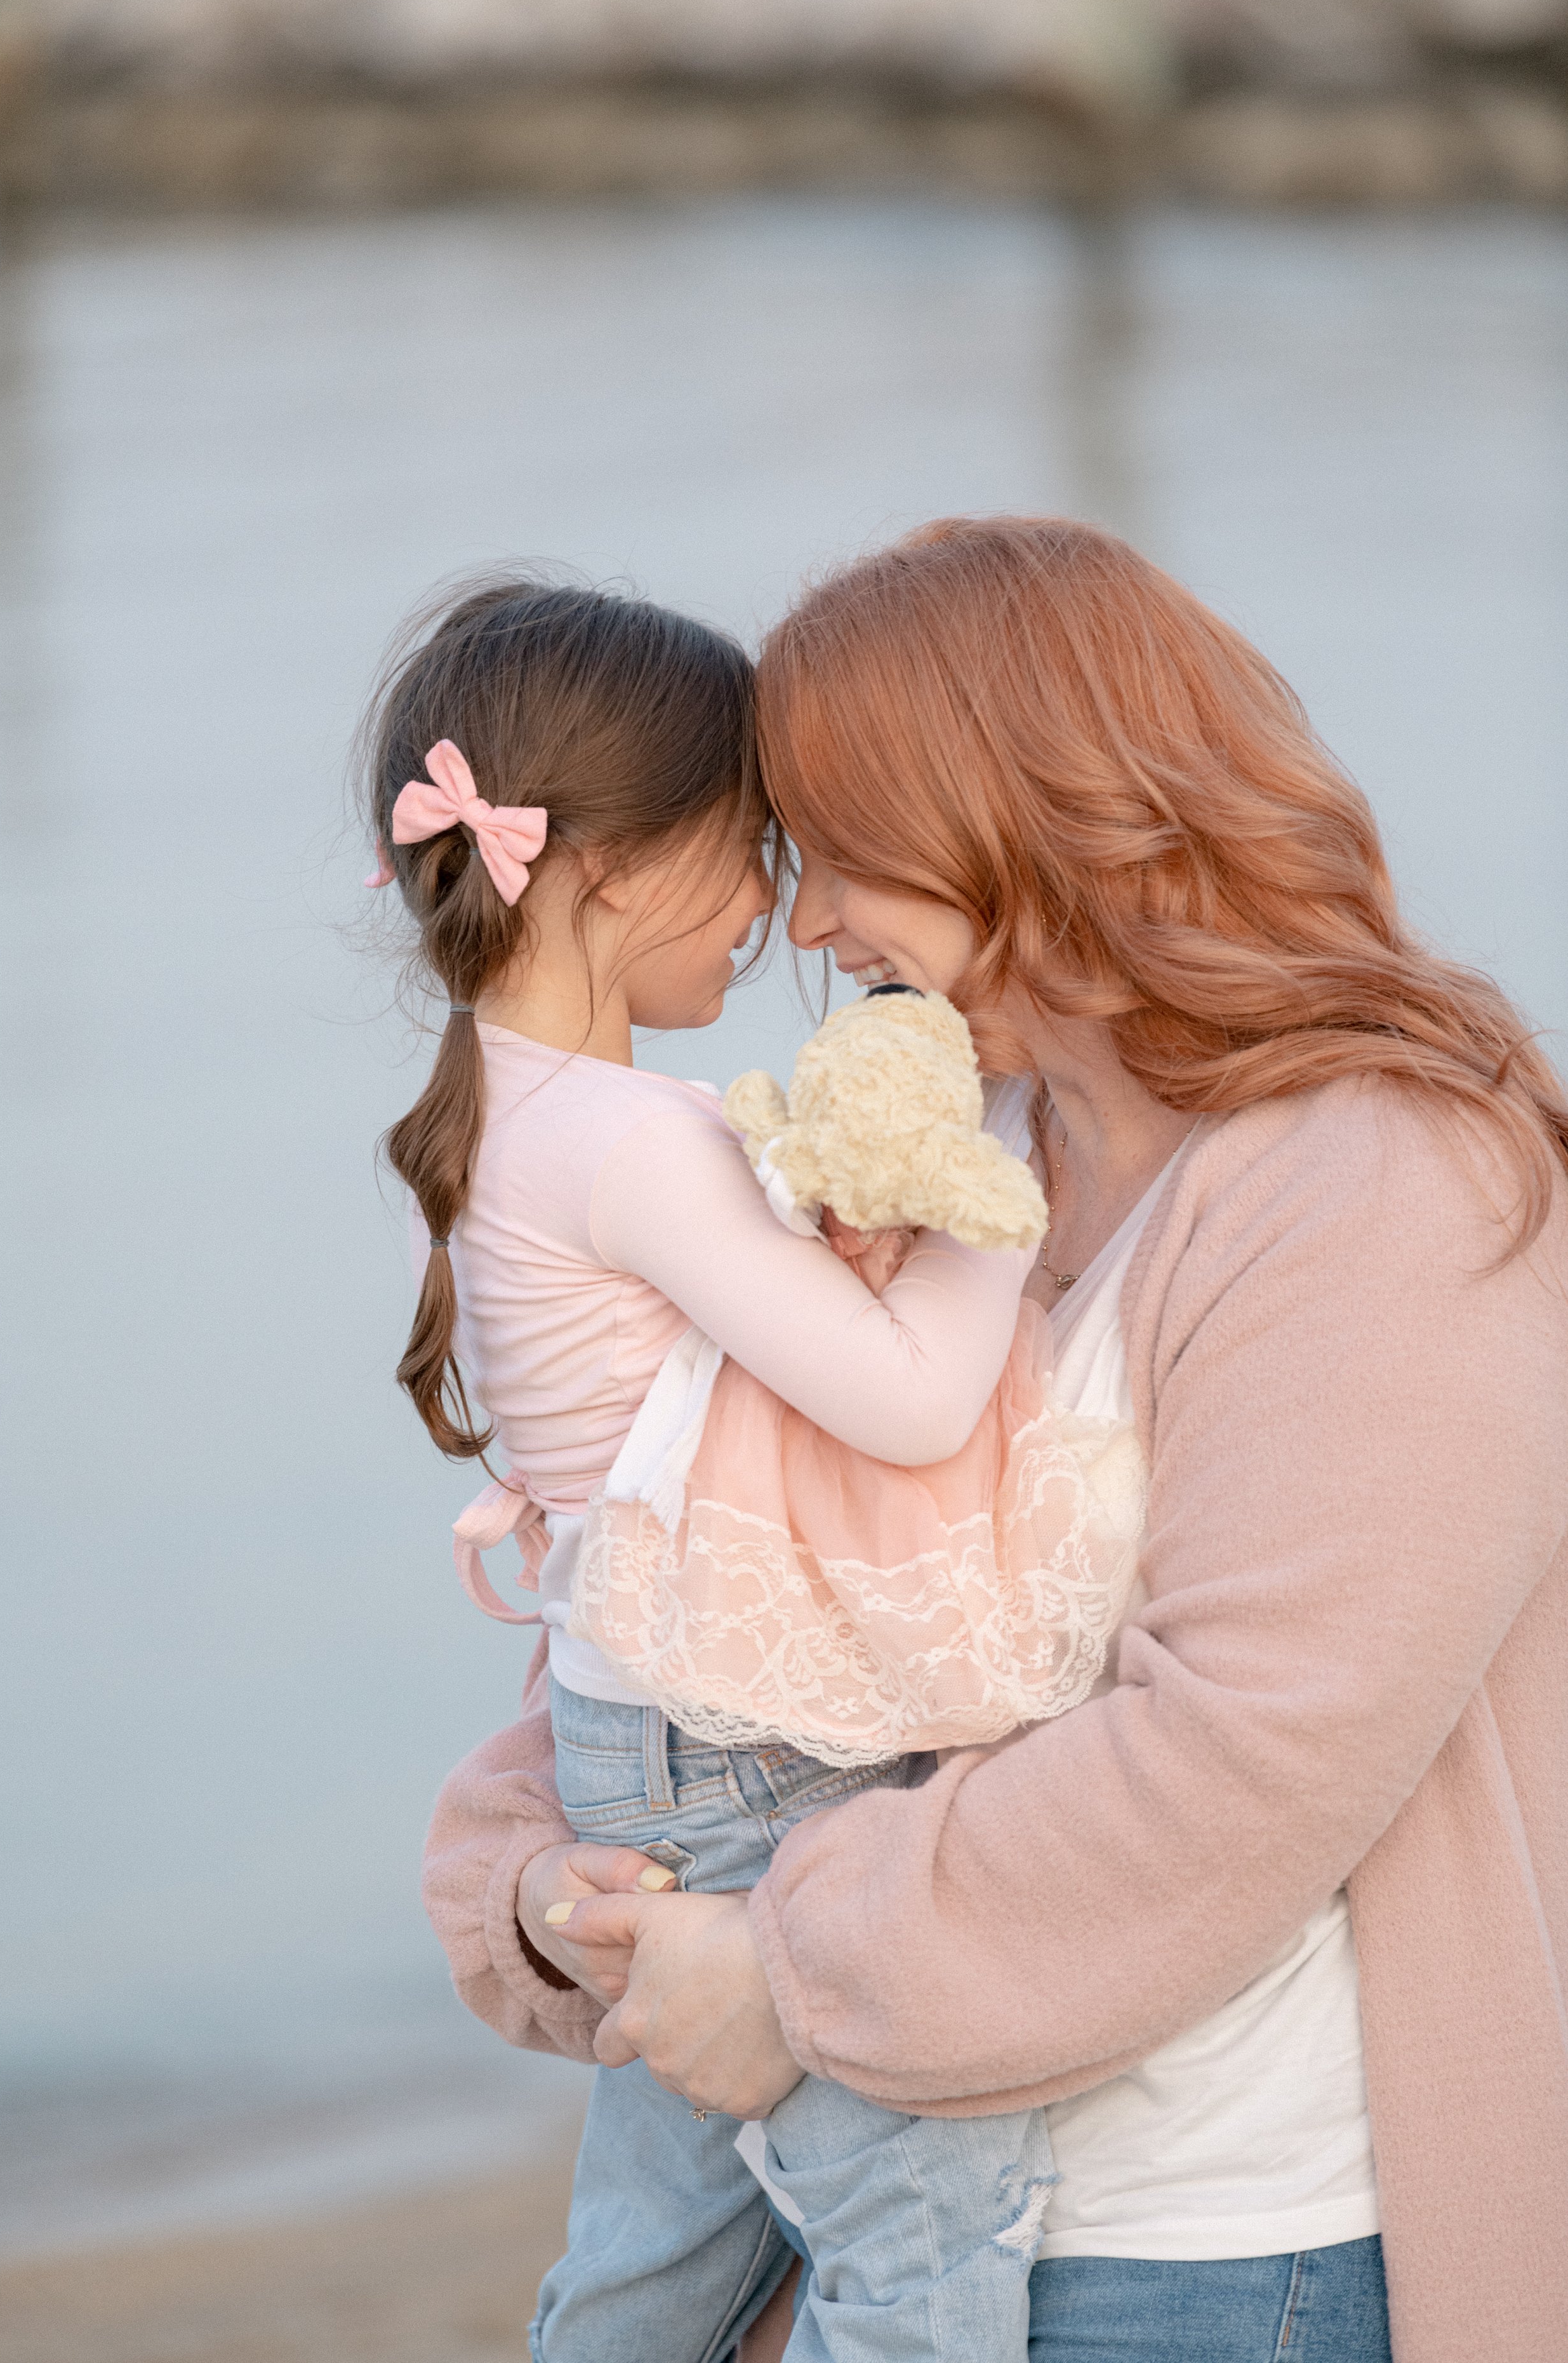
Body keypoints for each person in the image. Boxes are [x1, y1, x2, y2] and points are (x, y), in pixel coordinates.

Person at [422, 521, 1568, 2363]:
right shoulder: (968, 1142)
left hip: (1211, 2259)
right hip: (900, 2220)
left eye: (849, 857)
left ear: (1025, 824)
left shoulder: (1387, 1187)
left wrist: (789, 1975)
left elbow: (1244, 1753)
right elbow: (747, 1599)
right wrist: (549, 1880)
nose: (803, 926)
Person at [366, 574, 1144, 2363]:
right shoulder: (634, 1141)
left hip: (634, 1733)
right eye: (752, 850)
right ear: (604, 870)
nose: (782, 914)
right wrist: (999, 1122)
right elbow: (908, 1401)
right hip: (749, 1746)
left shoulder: (510, 1111)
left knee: (660, 2260)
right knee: (919, 2242)